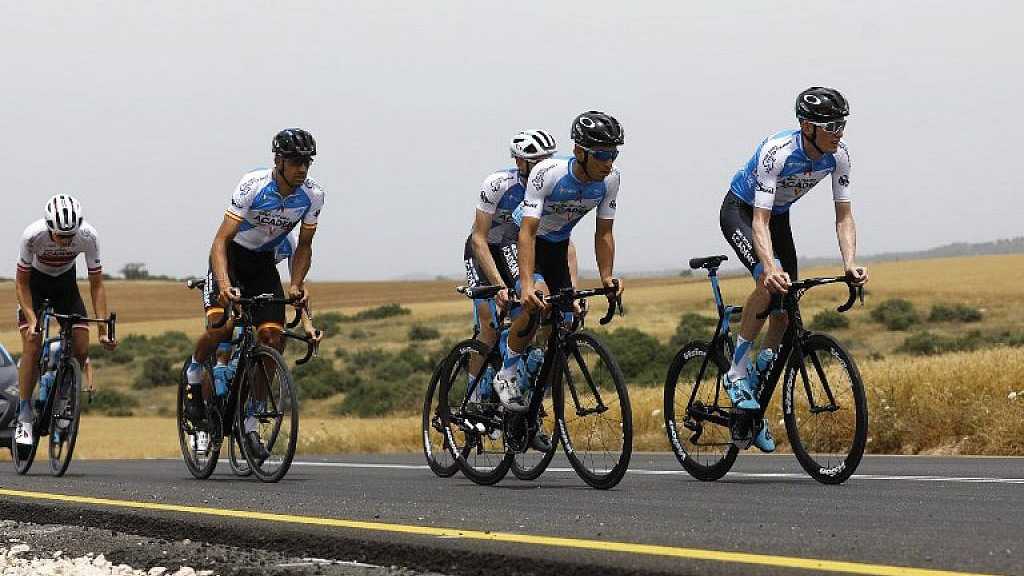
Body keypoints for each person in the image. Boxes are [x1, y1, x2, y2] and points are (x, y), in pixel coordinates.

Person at [719, 86, 868, 452]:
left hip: (779, 218)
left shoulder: (839, 156)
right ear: (807, 126)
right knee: (770, 286)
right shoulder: (778, 153)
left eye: (842, 124)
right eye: (831, 125)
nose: (839, 132)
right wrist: (768, 267)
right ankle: (736, 373)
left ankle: (753, 397)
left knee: (785, 315)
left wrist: (849, 263)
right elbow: (759, 219)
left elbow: (844, 217)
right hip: (742, 211)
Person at [184, 128, 323, 461]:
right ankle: (193, 370)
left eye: (306, 162)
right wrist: (223, 282)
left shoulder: (313, 196)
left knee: (272, 338)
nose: (301, 169)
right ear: (278, 160)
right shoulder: (253, 186)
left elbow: (304, 247)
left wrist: (296, 287)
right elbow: (220, 241)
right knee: (221, 328)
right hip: (230, 258)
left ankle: (249, 419)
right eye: (294, 162)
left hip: (262, 265)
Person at [493, 111, 625, 413]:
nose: (609, 162)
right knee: (537, 300)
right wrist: (527, 284)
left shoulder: (611, 180)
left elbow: (604, 232)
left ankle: (533, 390)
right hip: (523, 239)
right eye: (603, 155)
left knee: (567, 319)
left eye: (613, 154)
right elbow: (527, 231)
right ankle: (507, 372)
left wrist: (607, 276)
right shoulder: (549, 173)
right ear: (580, 152)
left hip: (557, 245)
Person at [14, 195, 117, 447]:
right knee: (33, 343)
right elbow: (21, 283)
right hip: (34, 286)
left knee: (82, 345)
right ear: (49, 227)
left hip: (65, 285)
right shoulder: (32, 236)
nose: (66, 241)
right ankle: (24, 414)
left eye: (71, 235)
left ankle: (63, 398)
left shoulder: (89, 236)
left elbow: (96, 285)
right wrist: (31, 319)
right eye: (61, 236)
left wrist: (103, 329)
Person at [464, 130, 557, 405]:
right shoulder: (498, 184)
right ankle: (472, 397)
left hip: (513, 249)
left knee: (532, 309)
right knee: (489, 326)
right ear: (520, 163)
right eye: (537, 161)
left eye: (548, 159)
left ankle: (520, 398)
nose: (545, 166)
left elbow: (558, 237)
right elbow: (479, 239)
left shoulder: (549, 189)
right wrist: (499, 287)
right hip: (482, 249)